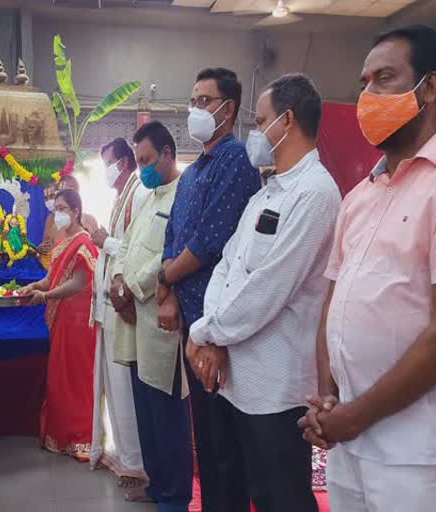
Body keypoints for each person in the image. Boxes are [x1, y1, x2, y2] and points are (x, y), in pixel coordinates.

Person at [299, 25, 436, 510]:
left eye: (385, 78)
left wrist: (355, 416)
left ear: (430, 87)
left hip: (417, 454)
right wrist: (328, 399)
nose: (368, 95)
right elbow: (333, 304)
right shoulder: (359, 197)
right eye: (364, 83)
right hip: (349, 444)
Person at [186, 74, 340, 511]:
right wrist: (210, 332)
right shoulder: (266, 190)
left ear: (287, 121)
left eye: (262, 121)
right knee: (247, 489)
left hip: (276, 389)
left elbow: (268, 288)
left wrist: (204, 332)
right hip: (238, 377)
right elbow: (228, 265)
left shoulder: (315, 195)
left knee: (282, 498)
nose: (256, 132)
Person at [157, 67, 260, 511]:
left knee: (224, 447)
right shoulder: (195, 167)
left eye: (204, 101)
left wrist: (164, 279)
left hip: (219, 323)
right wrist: (167, 293)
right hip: (190, 320)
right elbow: (174, 235)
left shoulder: (235, 159)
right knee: (205, 439)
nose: (194, 109)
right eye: (193, 100)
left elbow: (207, 242)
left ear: (228, 108)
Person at [110, 121, 191, 511]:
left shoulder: (184, 194)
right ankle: (157, 484)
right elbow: (126, 244)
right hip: (134, 320)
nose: (140, 168)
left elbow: (173, 255)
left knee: (167, 414)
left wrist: (135, 286)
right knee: (145, 411)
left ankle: (175, 495)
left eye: (145, 160)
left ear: (167, 154)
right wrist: (118, 279)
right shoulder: (148, 195)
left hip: (160, 318)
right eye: (138, 160)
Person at [18, 189, 98, 460]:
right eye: (56, 208)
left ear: (76, 212)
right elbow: (51, 277)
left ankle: (81, 438)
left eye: (63, 208)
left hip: (78, 322)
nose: (58, 214)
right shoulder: (63, 240)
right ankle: (61, 435)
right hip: (61, 319)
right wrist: (34, 286)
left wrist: (46, 295)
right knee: (60, 376)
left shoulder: (84, 242)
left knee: (77, 378)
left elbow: (77, 283)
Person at [89, 138, 148, 487]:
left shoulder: (139, 193)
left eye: (107, 162)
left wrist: (102, 239)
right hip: (110, 307)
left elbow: (133, 249)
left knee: (125, 386)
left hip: (125, 305)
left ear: (124, 162)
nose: (105, 170)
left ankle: (136, 463)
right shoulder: (121, 195)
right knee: (114, 387)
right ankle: (126, 456)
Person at [36, 182, 58, 269]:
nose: (49, 201)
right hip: (47, 265)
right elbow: (45, 243)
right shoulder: (50, 217)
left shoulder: (71, 218)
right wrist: (39, 249)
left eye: (52, 196)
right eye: (46, 198)